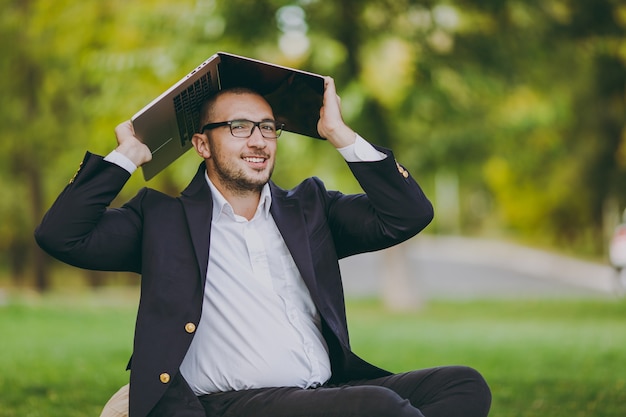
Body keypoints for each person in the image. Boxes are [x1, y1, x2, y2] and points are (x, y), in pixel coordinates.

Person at [35, 76, 491, 417]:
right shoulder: (161, 219)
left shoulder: (310, 209)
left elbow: (408, 215)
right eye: (238, 127)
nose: (257, 140)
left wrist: (339, 133)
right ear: (201, 144)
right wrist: (125, 157)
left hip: (324, 392)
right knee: (378, 408)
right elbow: (61, 235)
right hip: (228, 405)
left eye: (267, 128)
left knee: (463, 386)